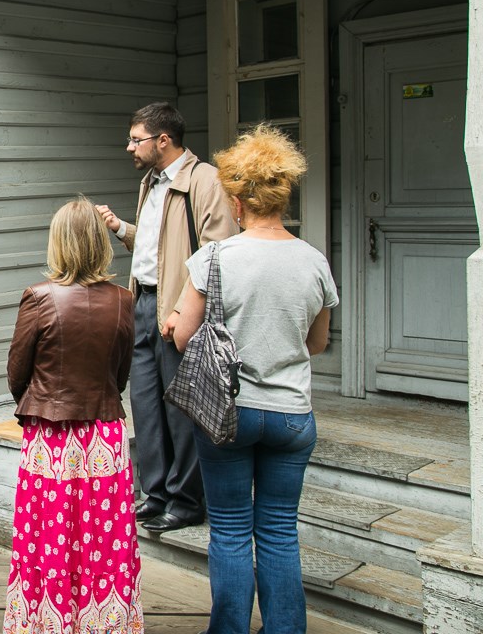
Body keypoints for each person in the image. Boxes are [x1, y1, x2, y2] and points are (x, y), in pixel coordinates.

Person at [171, 126, 337, 634]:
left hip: (228, 414)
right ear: (283, 194)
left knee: (230, 530)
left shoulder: (214, 259)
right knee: (280, 532)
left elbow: (181, 337)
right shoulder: (313, 262)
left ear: (238, 201)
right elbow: (317, 342)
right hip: (291, 416)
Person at [96, 102, 238, 533]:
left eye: (136, 139)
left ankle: (186, 500)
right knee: (145, 404)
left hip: (180, 311)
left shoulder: (205, 180)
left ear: (163, 140)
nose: (129, 147)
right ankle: (154, 493)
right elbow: (158, 249)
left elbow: (219, 254)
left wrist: (183, 309)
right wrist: (122, 229)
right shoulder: (150, 183)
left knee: (181, 408)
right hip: (143, 305)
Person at [2, 198, 142, 633]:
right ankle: (106, 623)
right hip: (104, 434)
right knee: (105, 538)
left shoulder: (39, 297)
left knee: (49, 537)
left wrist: (43, 400)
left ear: (58, 244)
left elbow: (16, 372)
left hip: (51, 436)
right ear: (100, 244)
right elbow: (120, 373)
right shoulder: (124, 300)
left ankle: (47, 622)